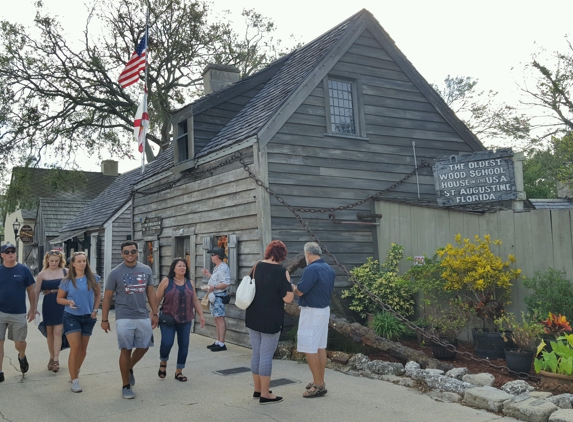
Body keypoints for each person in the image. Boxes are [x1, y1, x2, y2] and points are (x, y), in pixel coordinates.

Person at [101, 241, 159, 399]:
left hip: (142, 314)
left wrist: (155, 313)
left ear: (137, 252)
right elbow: (107, 298)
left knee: (144, 346)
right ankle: (125, 386)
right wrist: (104, 319)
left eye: (133, 251)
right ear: (122, 254)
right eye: (126, 252)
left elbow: (151, 294)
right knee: (125, 349)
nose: (130, 254)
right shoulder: (115, 273)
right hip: (124, 315)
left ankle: (129, 367)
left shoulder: (146, 270)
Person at [245, 240, 294, 404]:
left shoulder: (257, 265)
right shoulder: (282, 271)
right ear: (282, 255)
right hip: (271, 317)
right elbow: (287, 298)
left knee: (256, 352)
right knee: (266, 354)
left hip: (253, 314)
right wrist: (292, 288)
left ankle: (257, 389)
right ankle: (266, 394)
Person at [291, 242, 335, 398]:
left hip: (311, 311)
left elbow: (301, 291)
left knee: (309, 348)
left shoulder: (311, 269)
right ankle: (320, 380)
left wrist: (292, 286)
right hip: (323, 311)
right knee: (320, 347)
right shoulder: (329, 269)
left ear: (308, 254)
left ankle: (318, 385)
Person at [56, 252, 101, 393]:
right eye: (79, 261)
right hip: (71, 316)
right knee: (75, 348)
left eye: (84, 261)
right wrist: (68, 302)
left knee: (83, 349)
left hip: (88, 316)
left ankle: (76, 369)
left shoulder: (93, 278)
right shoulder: (67, 281)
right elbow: (59, 299)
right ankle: (74, 380)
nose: (82, 263)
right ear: (73, 264)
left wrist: (95, 310)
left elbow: (98, 294)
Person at [156, 258, 205, 381]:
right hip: (168, 319)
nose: (182, 268)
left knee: (184, 346)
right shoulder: (166, 281)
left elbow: (194, 300)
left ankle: (179, 371)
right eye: (179, 266)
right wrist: (153, 315)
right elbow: (156, 300)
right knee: (167, 342)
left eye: (184, 266)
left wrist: (201, 315)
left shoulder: (190, 282)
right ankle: (163, 362)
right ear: (173, 268)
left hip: (186, 319)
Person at [0, 243, 36, 382]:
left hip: (18, 312)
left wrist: (33, 309)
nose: (10, 254)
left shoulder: (23, 270)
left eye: (13, 251)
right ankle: (0, 371)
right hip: (0, 312)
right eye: (7, 252)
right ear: (2, 255)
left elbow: (31, 290)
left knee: (19, 341)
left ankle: (22, 356)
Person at [34, 250, 67, 373]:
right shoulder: (42, 274)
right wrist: (34, 308)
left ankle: (56, 360)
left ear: (60, 261)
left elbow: (73, 288)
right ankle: (51, 357)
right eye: (52, 260)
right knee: (50, 333)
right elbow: (36, 292)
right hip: (48, 303)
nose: (54, 263)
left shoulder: (66, 272)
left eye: (56, 261)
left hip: (61, 303)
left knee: (58, 332)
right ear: (47, 260)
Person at [201, 247, 230, 352]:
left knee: (220, 318)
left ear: (218, 256)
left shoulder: (223, 267)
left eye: (213, 255)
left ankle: (222, 343)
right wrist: (209, 275)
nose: (211, 257)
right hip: (215, 295)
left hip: (219, 296)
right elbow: (217, 279)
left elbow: (226, 283)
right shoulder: (217, 267)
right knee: (216, 319)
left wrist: (215, 288)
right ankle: (218, 341)